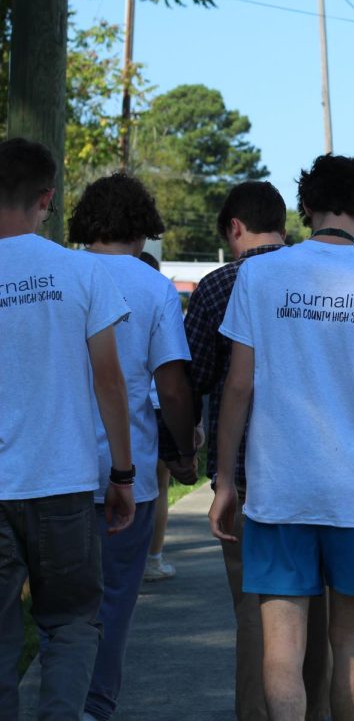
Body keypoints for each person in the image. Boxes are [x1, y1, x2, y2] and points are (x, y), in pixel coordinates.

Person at [209, 155, 354, 721]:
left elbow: (238, 387)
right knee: (352, 642)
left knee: (282, 651)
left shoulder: (259, 276)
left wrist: (222, 480)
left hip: (278, 489)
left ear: (306, 207)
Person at [188, 181, 336, 721]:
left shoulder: (218, 286)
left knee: (258, 616)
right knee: (321, 615)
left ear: (234, 227)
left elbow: (198, 377)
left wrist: (188, 451)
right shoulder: (316, 276)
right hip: (325, 467)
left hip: (253, 473)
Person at [0, 138, 136, 719]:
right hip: (62, 483)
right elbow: (110, 381)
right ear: (47, 199)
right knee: (73, 624)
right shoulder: (81, 271)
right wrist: (124, 474)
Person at [68, 173, 197, 721]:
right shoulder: (154, 288)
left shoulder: (60, 272)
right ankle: (95, 706)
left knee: (60, 610)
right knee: (114, 602)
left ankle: (59, 703)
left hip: (55, 468)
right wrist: (186, 450)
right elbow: (170, 386)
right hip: (131, 472)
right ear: (142, 227)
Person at [139, 250, 199, 584]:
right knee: (159, 486)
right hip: (160, 404)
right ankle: (153, 558)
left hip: (125, 405)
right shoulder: (160, 298)